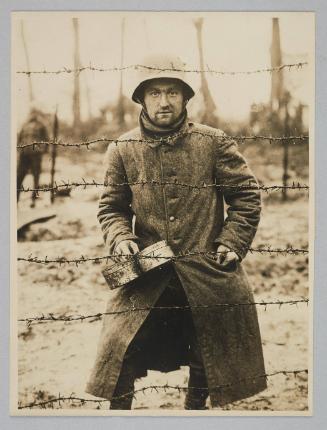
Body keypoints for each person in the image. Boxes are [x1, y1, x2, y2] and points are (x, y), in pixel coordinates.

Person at [86, 54, 266, 410]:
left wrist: (232, 241)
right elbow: (111, 208)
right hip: (148, 271)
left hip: (207, 268)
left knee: (207, 353)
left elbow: (246, 196)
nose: (164, 101)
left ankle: (193, 411)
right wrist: (121, 237)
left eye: (172, 92)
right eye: (154, 93)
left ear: (185, 98)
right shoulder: (123, 149)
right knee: (120, 348)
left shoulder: (213, 142)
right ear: (141, 99)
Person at [17, 106, 49, 207]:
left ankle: (33, 200)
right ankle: (15, 199)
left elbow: (46, 139)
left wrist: (42, 150)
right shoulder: (24, 125)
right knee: (19, 176)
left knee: (36, 177)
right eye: (32, 112)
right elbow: (19, 138)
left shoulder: (41, 125)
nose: (33, 114)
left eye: (35, 112)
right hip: (24, 154)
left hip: (35, 154)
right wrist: (19, 149)